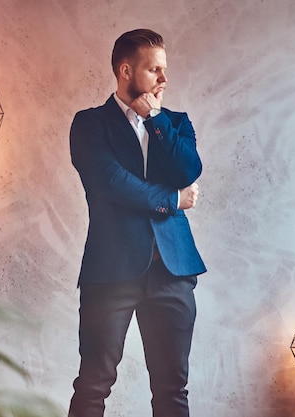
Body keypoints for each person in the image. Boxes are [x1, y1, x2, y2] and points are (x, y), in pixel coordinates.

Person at [68, 28, 206, 417]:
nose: (165, 79)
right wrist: (173, 200)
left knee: (172, 389)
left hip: (173, 270)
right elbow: (110, 184)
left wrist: (155, 118)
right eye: (155, 70)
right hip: (111, 270)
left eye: (165, 70)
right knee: (94, 383)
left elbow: (188, 169)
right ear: (126, 71)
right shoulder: (90, 124)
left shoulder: (175, 123)